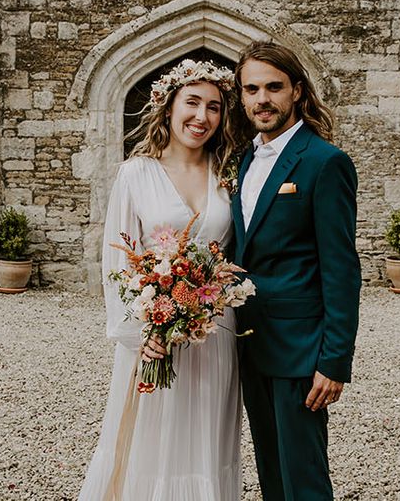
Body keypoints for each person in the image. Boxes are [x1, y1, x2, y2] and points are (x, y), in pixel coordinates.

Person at [78, 57, 242, 501]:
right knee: (151, 442)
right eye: (192, 102)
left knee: (205, 443)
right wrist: (141, 333)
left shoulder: (227, 175)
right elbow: (117, 263)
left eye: (214, 107)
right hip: (154, 339)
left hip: (215, 336)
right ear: (168, 106)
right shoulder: (136, 173)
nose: (202, 117)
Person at [231, 41, 362, 501]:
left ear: (297, 91)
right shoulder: (245, 159)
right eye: (252, 89)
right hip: (249, 342)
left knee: (303, 477)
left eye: (273, 87)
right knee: (271, 468)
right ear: (241, 96)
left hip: (301, 349)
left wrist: (334, 360)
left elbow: (342, 268)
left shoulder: (325, 162)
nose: (262, 99)